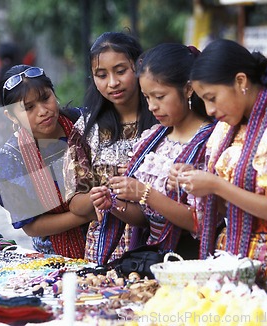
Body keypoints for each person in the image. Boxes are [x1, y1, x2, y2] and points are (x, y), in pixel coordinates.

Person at [169, 38, 267, 293]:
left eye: (212, 98)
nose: (209, 109)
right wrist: (196, 180)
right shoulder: (225, 130)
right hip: (228, 257)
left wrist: (216, 185)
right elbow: (222, 206)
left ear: (241, 81)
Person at [90, 43, 216, 260]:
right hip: (156, 257)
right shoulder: (153, 138)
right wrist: (114, 204)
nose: (152, 107)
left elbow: (200, 221)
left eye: (160, 96)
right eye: (147, 98)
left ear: (187, 89)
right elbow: (148, 218)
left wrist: (145, 192)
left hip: (194, 258)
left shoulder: (211, 141)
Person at [65, 31, 158, 265]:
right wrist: (99, 196)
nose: (112, 83)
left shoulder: (162, 119)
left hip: (157, 243)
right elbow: (75, 200)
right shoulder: (87, 130)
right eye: (101, 75)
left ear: (138, 67)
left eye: (120, 71)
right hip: (104, 249)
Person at [0, 64, 92, 258]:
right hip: (55, 255)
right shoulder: (9, 161)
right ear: (11, 116)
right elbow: (32, 226)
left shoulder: (86, 124)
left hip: (111, 240)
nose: (43, 111)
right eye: (28, 108)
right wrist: (86, 214)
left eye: (46, 98)